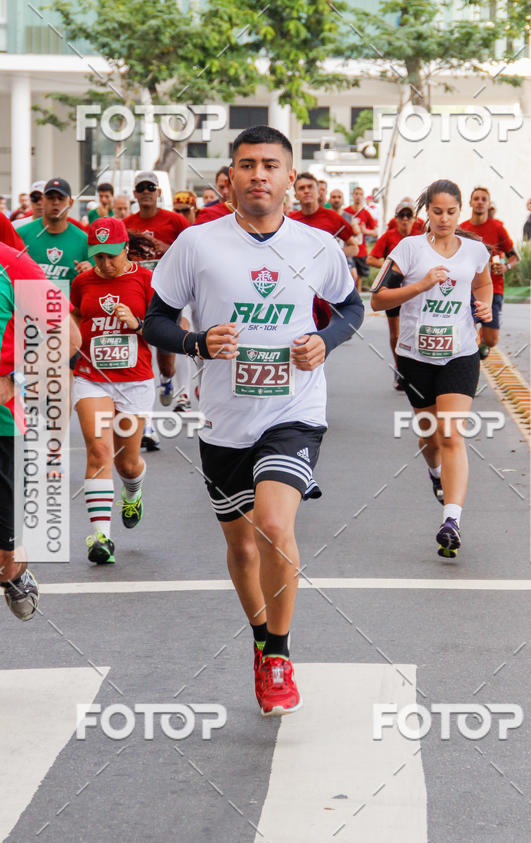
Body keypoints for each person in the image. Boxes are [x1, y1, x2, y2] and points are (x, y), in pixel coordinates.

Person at [143, 124, 364, 716]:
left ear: (292, 177)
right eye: (247, 165)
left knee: (273, 525)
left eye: (270, 165)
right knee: (242, 548)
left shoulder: (318, 246)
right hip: (223, 419)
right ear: (230, 178)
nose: (258, 174)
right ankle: (262, 638)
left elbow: (350, 306)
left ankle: (280, 655)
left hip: (294, 410)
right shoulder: (196, 244)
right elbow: (154, 322)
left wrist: (325, 339)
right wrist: (197, 342)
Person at [371, 179, 492, 558]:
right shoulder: (408, 249)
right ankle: (435, 473)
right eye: (437, 212)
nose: (444, 219)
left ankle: (451, 521)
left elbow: (483, 283)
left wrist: (484, 307)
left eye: (451, 212)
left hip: (460, 353)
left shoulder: (474, 251)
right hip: (414, 356)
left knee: (452, 434)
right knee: (429, 436)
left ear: (460, 212)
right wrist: (421, 285)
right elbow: (377, 300)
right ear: (427, 213)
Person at [0, 241, 80, 619]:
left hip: (2, 424)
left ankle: (14, 571)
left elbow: (68, 338)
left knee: (4, 555)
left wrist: (15, 377)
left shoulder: (12, 264)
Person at [71, 218, 154, 564]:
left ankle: (132, 491)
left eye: (111, 256)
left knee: (128, 463)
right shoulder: (82, 281)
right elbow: (75, 318)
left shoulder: (146, 280)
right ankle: (101, 536)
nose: (105, 264)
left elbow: (168, 331)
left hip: (135, 381)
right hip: (91, 377)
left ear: (126, 248)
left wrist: (137, 324)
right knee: (99, 450)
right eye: (98, 256)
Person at [123, 170, 189, 427]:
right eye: (142, 188)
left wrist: (167, 248)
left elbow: (192, 253)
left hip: (167, 294)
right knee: (141, 351)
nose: (147, 192)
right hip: (136, 293)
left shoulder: (174, 221)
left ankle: (168, 380)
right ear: (135, 194)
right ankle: (146, 421)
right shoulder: (127, 223)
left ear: (159, 192)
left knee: (167, 354)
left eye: (151, 188)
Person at [288, 173, 358, 326]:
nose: (306, 191)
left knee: (321, 338)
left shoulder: (333, 217)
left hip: (324, 290)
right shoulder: (289, 220)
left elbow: (354, 248)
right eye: (301, 188)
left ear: (318, 191)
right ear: (295, 195)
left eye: (310, 187)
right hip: (298, 286)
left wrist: (332, 254)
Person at [367, 198, 421, 390]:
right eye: (401, 216)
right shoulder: (389, 236)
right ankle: (400, 368)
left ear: (414, 219)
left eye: (409, 216)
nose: (405, 220)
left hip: (415, 290)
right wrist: (392, 268)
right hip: (393, 289)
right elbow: (370, 258)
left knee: (415, 329)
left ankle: (416, 366)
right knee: (396, 332)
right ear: (396, 219)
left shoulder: (421, 236)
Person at [460, 186, 519, 358]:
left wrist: (505, 266)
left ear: (488, 204)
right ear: (470, 203)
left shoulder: (497, 228)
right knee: (466, 333)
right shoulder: (462, 229)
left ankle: (483, 339)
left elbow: (514, 256)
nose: (479, 202)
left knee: (492, 340)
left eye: (483, 199)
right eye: (476, 198)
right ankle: (468, 360)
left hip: (493, 288)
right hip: (467, 289)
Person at [18, 178, 91, 296]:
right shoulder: (22, 234)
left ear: (70, 203)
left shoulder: (83, 240)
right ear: (43, 200)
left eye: (61, 198)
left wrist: (90, 271)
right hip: (28, 310)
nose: (56, 202)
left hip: (68, 311)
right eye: (51, 198)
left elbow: (98, 277)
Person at [344, 186, 378, 288]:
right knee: (351, 276)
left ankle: (357, 300)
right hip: (349, 248)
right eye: (356, 194)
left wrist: (365, 231)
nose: (358, 196)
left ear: (363, 197)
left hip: (361, 250)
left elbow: (376, 232)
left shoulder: (366, 213)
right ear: (352, 196)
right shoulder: (346, 212)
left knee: (358, 278)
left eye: (360, 194)